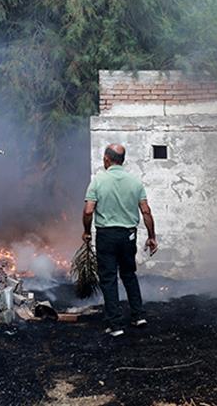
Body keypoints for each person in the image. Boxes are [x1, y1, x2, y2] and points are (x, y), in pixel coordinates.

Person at [83, 143, 158, 337]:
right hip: (128, 236)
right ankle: (138, 315)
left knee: (108, 279)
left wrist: (86, 232)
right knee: (129, 274)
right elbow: (146, 211)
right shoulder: (135, 182)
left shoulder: (98, 181)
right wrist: (151, 237)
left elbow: (88, 210)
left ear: (107, 159)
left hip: (106, 236)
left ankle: (115, 325)